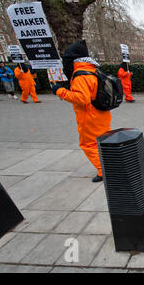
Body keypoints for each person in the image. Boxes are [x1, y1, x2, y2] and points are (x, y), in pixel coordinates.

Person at [51, 40, 111, 183]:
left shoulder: (79, 74)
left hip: (89, 116)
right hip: (101, 113)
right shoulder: (92, 70)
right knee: (103, 142)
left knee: (89, 144)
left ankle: (104, 171)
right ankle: (109, 164)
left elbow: (82, 98)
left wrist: (60, 91)